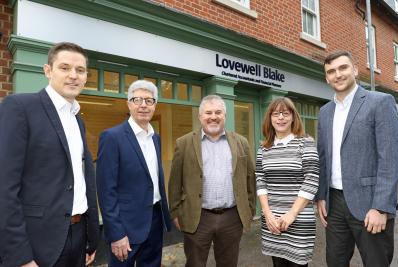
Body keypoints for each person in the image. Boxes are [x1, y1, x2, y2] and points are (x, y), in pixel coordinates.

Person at [0, 42, 99, 267]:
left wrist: (90, 238)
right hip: (38, 245)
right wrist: (19, 256)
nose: (73, 75)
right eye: (64, 68)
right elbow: (4, 187)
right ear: (48, 71)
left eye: (80, 70)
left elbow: (81, 181)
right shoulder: (20, 107)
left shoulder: (77, 120)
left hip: (78, 236)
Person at [316, 51, 398, 267]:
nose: (337, 75)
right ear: (326, 78)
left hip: (370, 204)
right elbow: (323, 158)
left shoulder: (380, 102)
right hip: (334, 204)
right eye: (331, 71)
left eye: (343, 68)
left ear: (354, 69)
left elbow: (390, 158)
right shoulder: (325, 112)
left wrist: (381, 207)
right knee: (334, 262)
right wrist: (321, 196)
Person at [168, 94, 256, 267]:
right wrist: (176, 212)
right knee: (195, 263)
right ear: (200, 116)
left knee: (228, 263)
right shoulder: (184, 143)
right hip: (198, 217)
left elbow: (250, 179)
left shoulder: (241, 142)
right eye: (208, 113)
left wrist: (250, 209)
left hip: (232, 217)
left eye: (218, 112)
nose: (213, 117)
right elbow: (174, 183)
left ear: (225, 115)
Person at [96, 80, 171, 267]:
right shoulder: (112, 137)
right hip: (126, 226)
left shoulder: (156, 138)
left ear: (155, 105)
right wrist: (116, 233)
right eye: (137, 100)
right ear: (128, 103)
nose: (143, 105)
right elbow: (106, 191)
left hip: (155, 219)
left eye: (149, 100)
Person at [255, 97, 319, 267]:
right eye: (275, 114)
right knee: (277, 264)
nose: (280, 118)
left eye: (285, 113)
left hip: (298, 220)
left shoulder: (306, 143)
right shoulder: (263, 148)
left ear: (293, 117)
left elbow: (311, 180)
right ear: (270, 118)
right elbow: (260, 180)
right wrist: (267, 214)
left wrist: (291, 215)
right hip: (272, 221)